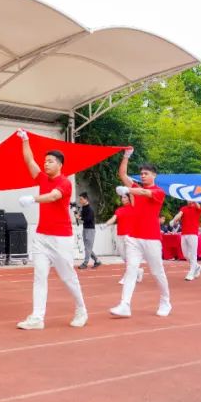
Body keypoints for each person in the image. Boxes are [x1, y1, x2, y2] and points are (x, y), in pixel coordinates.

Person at [15, 130, 88, 330]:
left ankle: (81, 309)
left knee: (67, 277)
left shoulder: (64, 182)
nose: (46, 163)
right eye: (45, 161)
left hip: (61, 238)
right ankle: (37, 317)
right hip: (41, 236)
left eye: (50, 161)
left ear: (60, 164)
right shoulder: (42, 179)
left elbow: (53, 196)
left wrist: (33, 199)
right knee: (39, 276)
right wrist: (25, 140)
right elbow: (29, 161)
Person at [111, 148, 171, 318]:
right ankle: (125, 304)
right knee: (130, 270)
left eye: (146, 173)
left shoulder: (158, 192)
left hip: (151, 239)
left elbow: (145, 192)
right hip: (134, 238)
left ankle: (165, 300)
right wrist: (126, 156)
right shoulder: (135, 187)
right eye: (141, 174)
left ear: (154, 175)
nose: (143, 176)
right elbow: (122, 174)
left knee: (157, 272)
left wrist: (128, 191)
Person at [105, 189, 144, 286]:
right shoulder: (119, 210)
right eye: (122, 197)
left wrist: (128, 189)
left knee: (130, 257)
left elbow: (134, 195)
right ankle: (138, 270)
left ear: (129, 198)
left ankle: (127, 277)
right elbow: (114, 218)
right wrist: (106, 224)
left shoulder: (134, 208)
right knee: (124, 257)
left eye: (125, 197)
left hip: (130, 236)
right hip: (120, 235)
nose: (123, 199)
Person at [169, 199, 201, 281]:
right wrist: (174, 220)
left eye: (190, 199)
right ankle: (197, 266)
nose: (188, 200)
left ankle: (191, 273)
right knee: (185, 255)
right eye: (187, 199)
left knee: (193, 254)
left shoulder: (197, 208)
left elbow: (199, 206)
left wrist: (195, 200)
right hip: (184, 234)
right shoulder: (184, 208)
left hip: (193, 234)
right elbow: (179, 214)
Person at [77, 192, 101, 270]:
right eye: (79, 199)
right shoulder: (83, 208)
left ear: (86, 199)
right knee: (87, 248)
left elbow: (88, 219)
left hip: (90, 230)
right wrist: (78, 214)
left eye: (81, 199)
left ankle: (85, 263)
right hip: (85, 229)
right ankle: (97, 260)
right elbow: (81, 216)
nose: (80, 201)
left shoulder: (90, 209)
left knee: (87, 248)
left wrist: (79, 218)